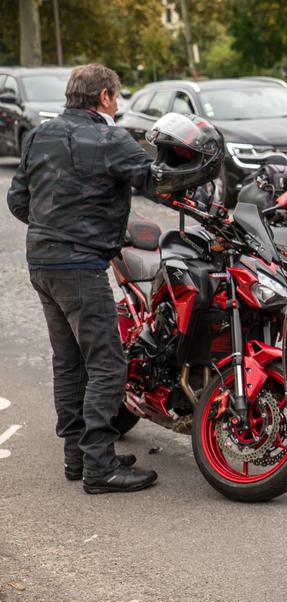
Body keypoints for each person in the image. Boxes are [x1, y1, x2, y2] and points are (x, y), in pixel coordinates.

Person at [6, 64, 159, 493]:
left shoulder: (39, 134)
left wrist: (51, 225)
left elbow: (17, 199)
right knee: (107, 364)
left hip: (42, 263)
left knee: (69, 363)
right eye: (118, 94)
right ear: (106, 97)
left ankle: (79, 458)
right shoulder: (112, 138)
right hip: (80, 265)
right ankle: (100, 468)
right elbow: (155, 182)